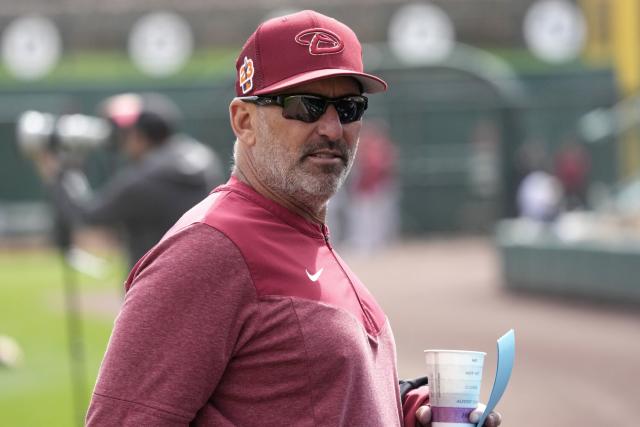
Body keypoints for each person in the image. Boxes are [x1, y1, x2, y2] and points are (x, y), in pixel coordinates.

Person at [85, 10, 502, 427]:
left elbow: (316, 395)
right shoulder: (209, 249)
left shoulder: (302, 232)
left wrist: (411, 410)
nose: (333, 128)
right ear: (244, 121)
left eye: (350, 107)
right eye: (307, 106)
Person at [32, 93, 224, 268]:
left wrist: (59, 173)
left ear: (140, 136)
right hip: (203, 269)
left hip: (156, 279)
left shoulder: (142, 179)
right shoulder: (201, 157)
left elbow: (87, 214)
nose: (120, 141)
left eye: (125, 134)